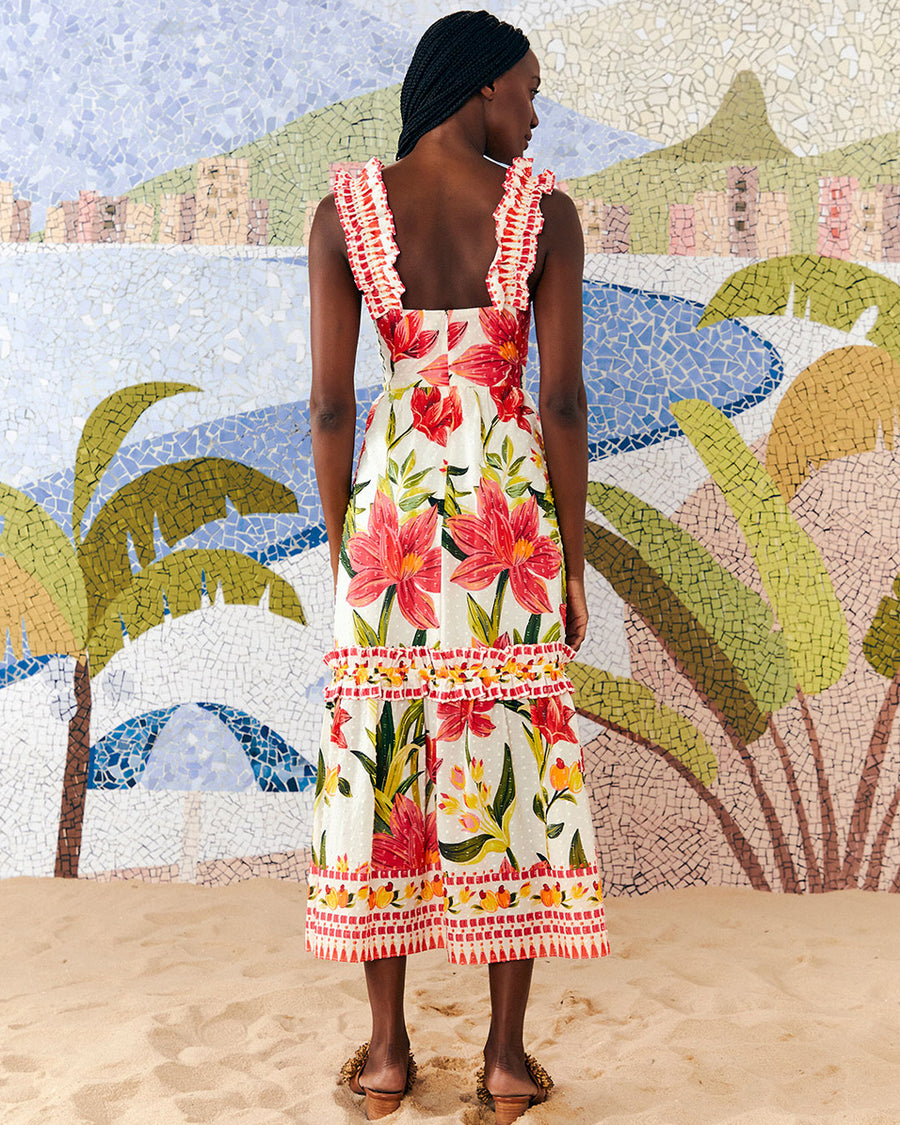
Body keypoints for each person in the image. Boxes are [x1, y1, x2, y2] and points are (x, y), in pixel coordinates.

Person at [307, 10, 609, 1121]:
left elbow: (333, 402)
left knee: (379, 753)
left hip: (389, 513)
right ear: (479, 88)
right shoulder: (545, 216)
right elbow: (566, 401)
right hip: (504, 523)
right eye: (526, 91)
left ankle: (386, 1054)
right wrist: (570, 561)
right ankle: (504, 1061)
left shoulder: (345, 215)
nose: (533, 115)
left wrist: (349, 549)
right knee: (509, 756)